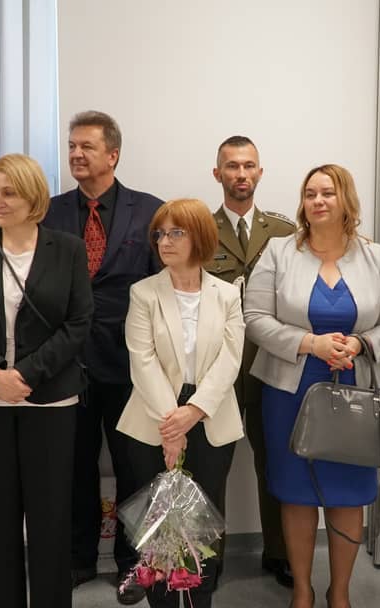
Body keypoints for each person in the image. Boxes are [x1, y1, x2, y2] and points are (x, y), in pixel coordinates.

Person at [244, 164, 380, 608]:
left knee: (348, 495)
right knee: (296, 494)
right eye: (310, 193)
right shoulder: (279, 252)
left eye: (328, 193)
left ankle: (340, 592)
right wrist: (310, 343)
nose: (317, 201)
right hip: (290, 390)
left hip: (355, 390)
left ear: (345, 200)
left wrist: (361, 343)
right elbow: (254, 319)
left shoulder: (374, 256)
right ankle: (303, 590)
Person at [0, 153, 93, 608]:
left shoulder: (67, 249)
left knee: (50, 518)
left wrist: (25, 374)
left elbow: (78, 323)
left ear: (34, 197)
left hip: (50, 401)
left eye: (8, 193)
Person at [41, 110, 163, 604]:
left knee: (135, 469)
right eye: (72, 146)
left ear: (112, 154)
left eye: (86, 146)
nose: (76, 154)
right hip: (65, 364)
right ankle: (77, 558)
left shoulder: (150, 212)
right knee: (72, 467)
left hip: (131, 366)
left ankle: (134, 564)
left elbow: (162, 289)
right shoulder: (48, 212)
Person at [118, 198, 245, 608]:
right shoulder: (144, 293)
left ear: (200, 237)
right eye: (160, 234)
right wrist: (172, 424)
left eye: (176, 232)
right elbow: (142, 360)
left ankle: (199, 600)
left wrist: (193, 412)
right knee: (160, 528)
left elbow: (230, 360)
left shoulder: (228, 294)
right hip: (153, 417)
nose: (164, 241)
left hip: (210, 416)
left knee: (202, 527)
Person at [203, 135, 296, 588]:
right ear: (217, 173)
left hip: (270, 365)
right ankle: (209, 557)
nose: (241, 174)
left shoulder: (284, 231)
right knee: (210, 465)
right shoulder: (200, 228)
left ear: (260, 172)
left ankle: (279, 552)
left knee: (275, 461)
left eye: (248, 166)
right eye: (232, 166)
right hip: (215, 366)